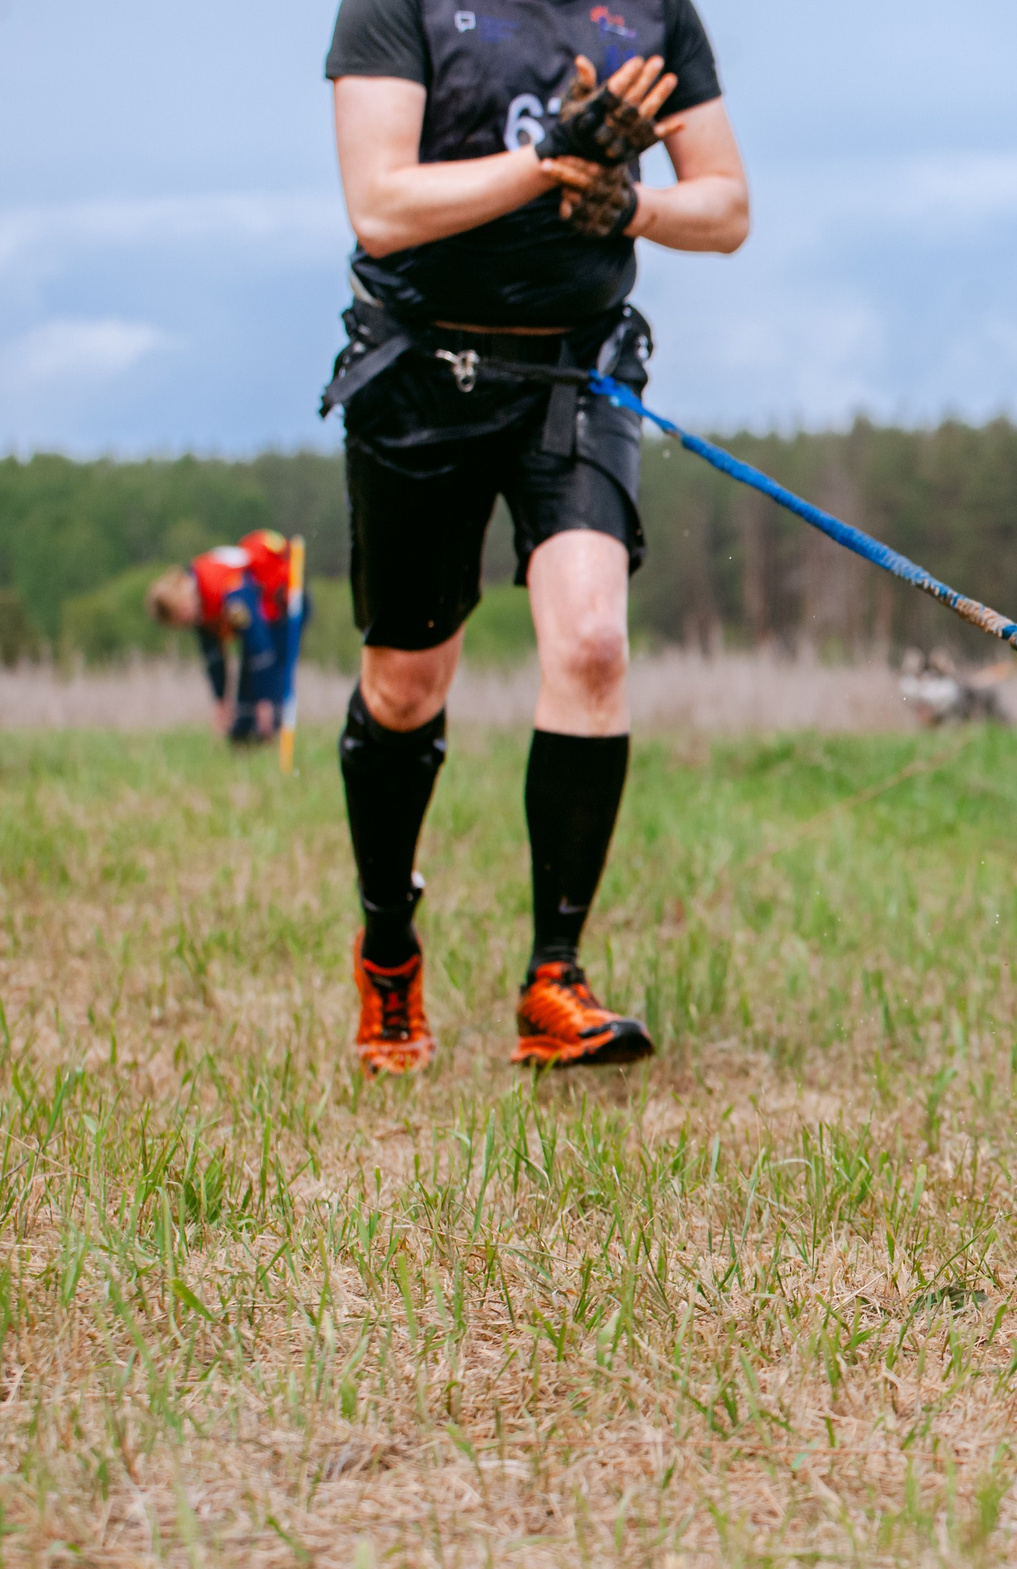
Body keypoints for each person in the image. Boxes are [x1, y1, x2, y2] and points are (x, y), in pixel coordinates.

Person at [323, 0, 749, 1076]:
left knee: (593, 646)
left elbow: (727, 208)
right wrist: (552, 158)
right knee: (406, 685)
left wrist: (630, 204)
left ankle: (554, 978)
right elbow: (380, 206)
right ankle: (388, 952)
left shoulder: (652, 12)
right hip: (421, 371)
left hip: (577, 371)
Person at [145, 531, 306, 745]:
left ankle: (268, 737)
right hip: (260, 625)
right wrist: (220, 702)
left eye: (182, 615)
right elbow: (214, 658)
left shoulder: (228, 591)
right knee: (242, 723)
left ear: (182, 601)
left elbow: (259, 643)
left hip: (282, 608)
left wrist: (265, 700)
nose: (187, 622)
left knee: (264, 697)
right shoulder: (199, 603)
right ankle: (243, 739)